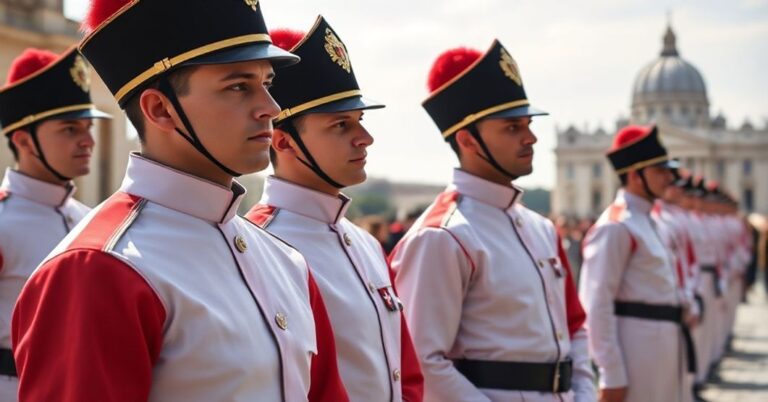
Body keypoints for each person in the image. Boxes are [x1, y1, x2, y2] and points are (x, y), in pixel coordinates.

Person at [11, 1, 348, 401]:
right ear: (160, 109)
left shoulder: (286, 260)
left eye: (268, 84)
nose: (271, 108)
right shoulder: (99, 268)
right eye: (239, 86)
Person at [389, 41, 595, 402]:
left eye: (528, 124)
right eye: (512, 127)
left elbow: (574, 324)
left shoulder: (542, 228)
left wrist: (585, 392)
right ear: (468, 140)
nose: (531, 137)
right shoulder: (441, 235)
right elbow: (423, 361)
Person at [244, 17, 423, 402]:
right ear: (283, 142)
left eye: (360, 121)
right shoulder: (260, 245)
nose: (365, 138)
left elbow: (406, 374)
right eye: (341, 125)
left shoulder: (366, 243)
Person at [0, 46, 110, 401]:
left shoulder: (94, 219)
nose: (89, 141)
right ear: (23, 140)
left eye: (89, 127)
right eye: (69, 129)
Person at [579, 125, 694, 402]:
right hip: (636, 349)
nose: (670, 178)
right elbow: (596, 303)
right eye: (660, 171)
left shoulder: (651, 222)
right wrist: (610, 371)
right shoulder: (616, 226)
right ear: (635, 176)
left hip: (663, 343)